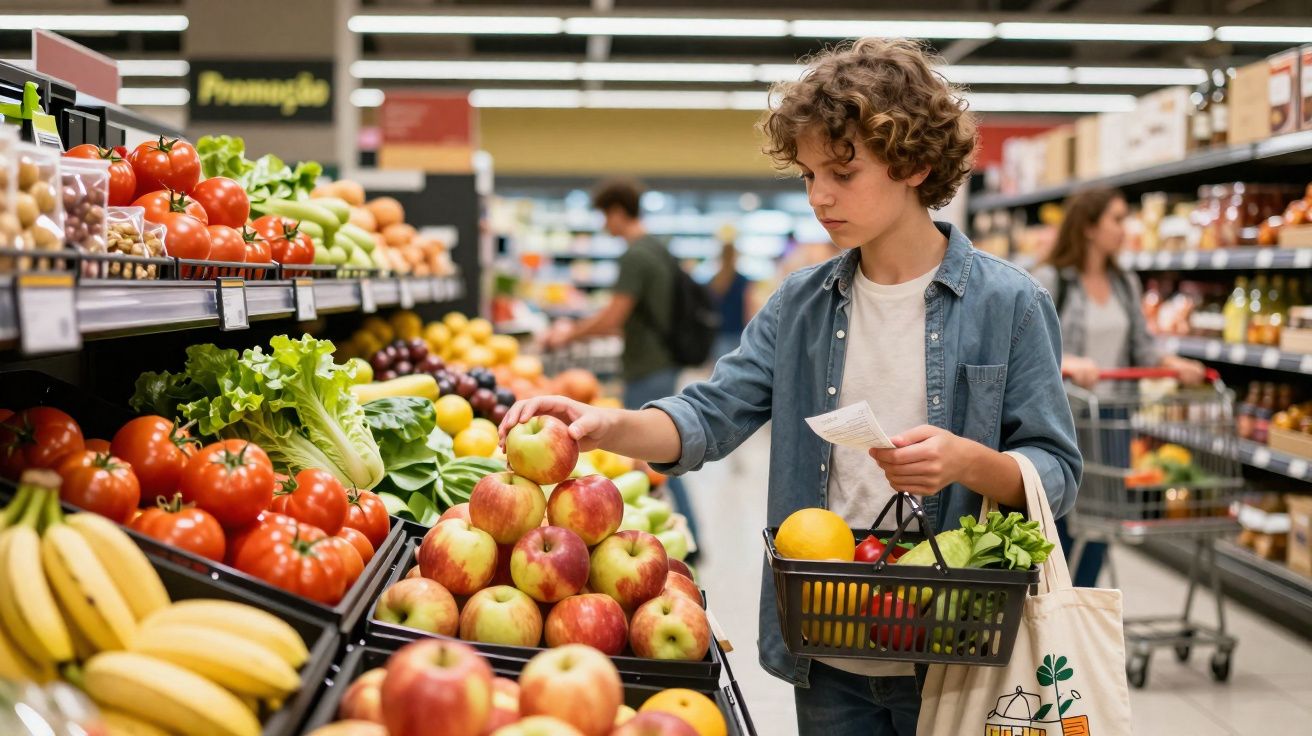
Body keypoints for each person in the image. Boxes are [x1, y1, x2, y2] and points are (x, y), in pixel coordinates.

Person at [503, 38, 1080, 736]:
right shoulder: (801, 305)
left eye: (843, 171)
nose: (818, 197)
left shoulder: (1009, 305)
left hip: (955, 650)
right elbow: (710, 414)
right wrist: (605, 424)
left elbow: (1057, 470)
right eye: (808, 175)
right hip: (826, 642)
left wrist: (969, 462)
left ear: (914, 164)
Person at [1033, 187, 1206, 588]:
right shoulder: (1052, 279)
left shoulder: (1125, 282)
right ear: (1089, 227)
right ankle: (1050, 599)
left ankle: (1085, 600)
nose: (1124, 228)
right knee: (1060, 518)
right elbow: (1030, 348)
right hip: (1066, 417)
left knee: (1103, 517)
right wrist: (1068, 362)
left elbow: (1142, 346)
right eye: (1116, 219)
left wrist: (1173, 364)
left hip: (1112, 418)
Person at [543, 178, 699, 545]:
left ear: (616, 212)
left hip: (648, 366)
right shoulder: (657, 248)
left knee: (655, 452)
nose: (604, 225)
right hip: (662, 359)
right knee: (664, 448)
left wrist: (568, 334)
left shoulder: (635, 255)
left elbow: (614, 316)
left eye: (604, 216)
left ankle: (686, 534)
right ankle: (687, 531)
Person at [707, 229, 756, 361]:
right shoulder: (743, 281)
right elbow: (748, 310)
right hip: (738, 333)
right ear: (735, 257)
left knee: (719, 369)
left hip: (718, 334)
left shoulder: (713, 281)